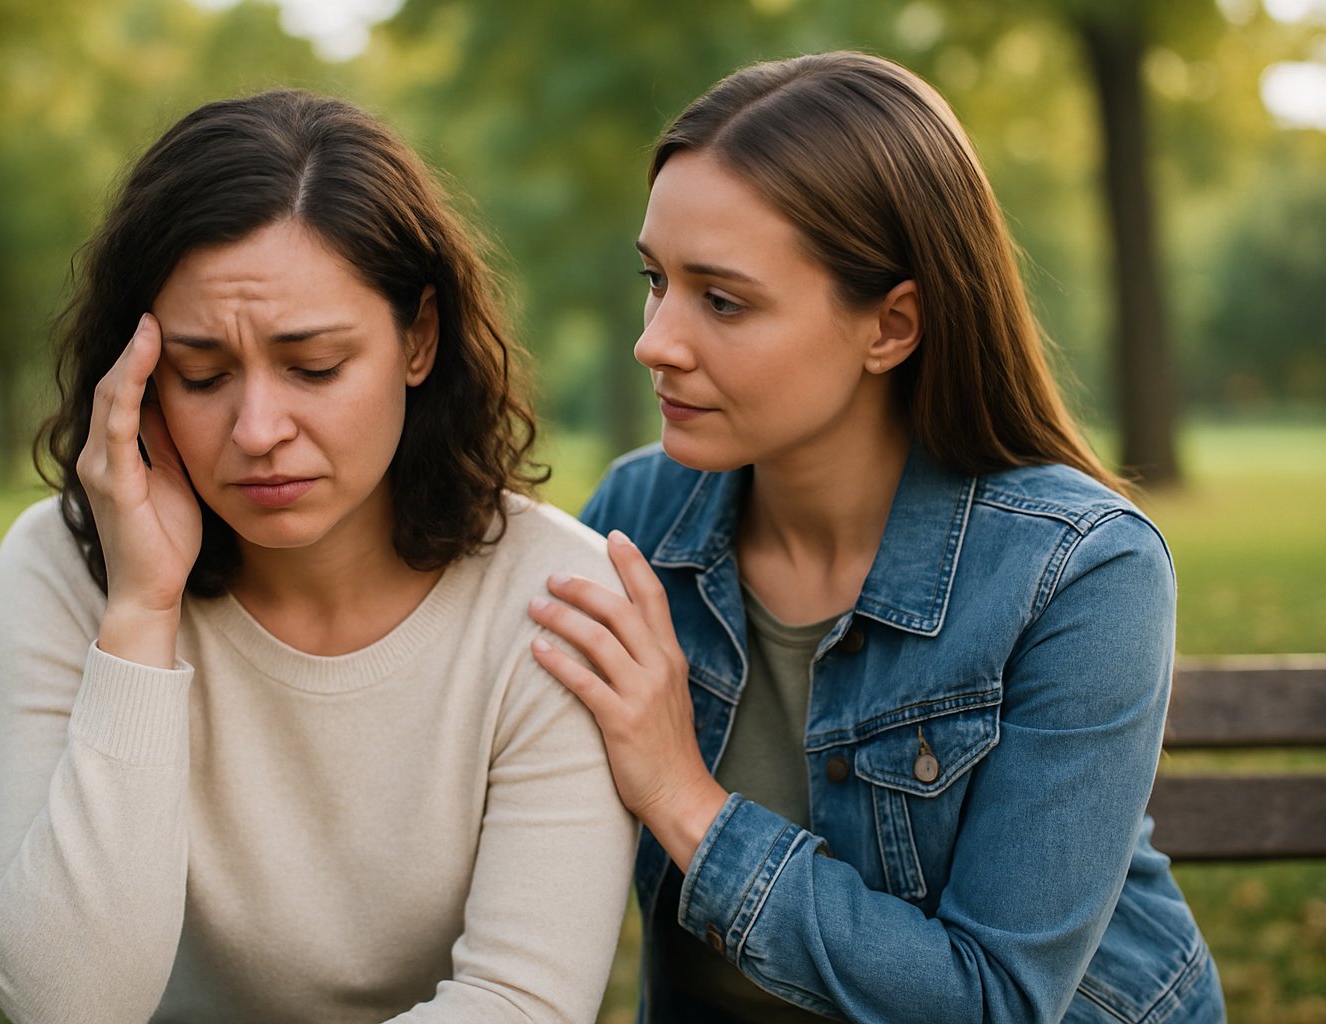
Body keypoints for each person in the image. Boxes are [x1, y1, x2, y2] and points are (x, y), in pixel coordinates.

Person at [525, 52, 1225, 1022]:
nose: (656, 339)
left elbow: (996, 1002)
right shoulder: (641, 518)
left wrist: (687, 801)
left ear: (891, 325)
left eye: (722, 300)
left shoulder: (1077, 569)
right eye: (656, 281)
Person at [0, 88, 634, 1023]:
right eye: (201, 375)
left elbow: (520, 1001)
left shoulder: (553, 597)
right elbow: (65, 1003)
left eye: (314, 366)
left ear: (419, 338)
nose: (257, 429)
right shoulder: (59, 566)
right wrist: (140, 615)